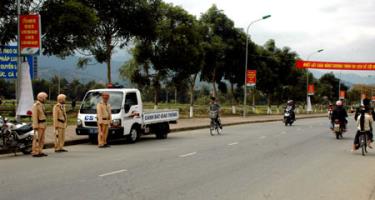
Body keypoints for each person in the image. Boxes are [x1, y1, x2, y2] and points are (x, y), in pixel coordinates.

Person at [31, 92, 48, 157]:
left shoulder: (42, 105)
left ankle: (40, 151)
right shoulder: (36, 105)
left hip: (43, 124)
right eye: (45, 98)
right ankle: (35, 152)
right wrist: (35, 125)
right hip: (38, 124)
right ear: (41, 98)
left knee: (42, 139)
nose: (45, 99)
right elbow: (34, 116)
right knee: (37, 139)